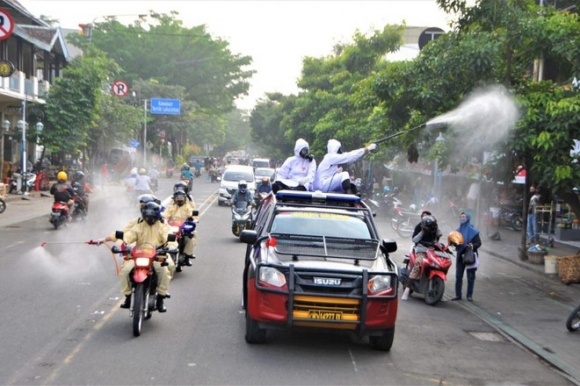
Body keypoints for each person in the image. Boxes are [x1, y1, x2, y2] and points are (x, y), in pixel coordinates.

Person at [100, 200, 172, 312]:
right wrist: (123, 243)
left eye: (152, 216)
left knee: (163, 271)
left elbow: (168, 236)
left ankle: (161, 298)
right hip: (139, 254)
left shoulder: (163, 226)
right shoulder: (138, 225)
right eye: (147, 216)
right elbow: (128, 235)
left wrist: (171, 245)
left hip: (157, 254)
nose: (149, 219)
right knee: (125, 271)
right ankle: (128, 297)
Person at [401, 214, 440, 301]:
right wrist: (422, 232)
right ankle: (407, 290)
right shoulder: (419, 227)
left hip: (431, 250)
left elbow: (438, 236)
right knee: (417, 265)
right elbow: (414, 240)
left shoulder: (434, 227)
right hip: (421, 250)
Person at [162, 189, 198, 267]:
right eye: (177, 197)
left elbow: (191, 213)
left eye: (181, 197)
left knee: (190, 237)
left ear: (185, 198)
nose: (179, 199)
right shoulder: (171, 206)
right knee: (163, 237)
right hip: (172, 226)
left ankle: (187, 256)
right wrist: (163, 220)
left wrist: (191, 217)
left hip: (183, 226)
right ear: (174, 198)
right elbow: (165, 215)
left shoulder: (187, 206)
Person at [452, 212, 482, 302]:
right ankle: (458, 295)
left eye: (464, 217)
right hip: (460, 256)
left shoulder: (473, 231)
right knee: (458, 276)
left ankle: (469, 295)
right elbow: (455, 244)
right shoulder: (457, 231)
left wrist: (472, 245)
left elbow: (479, 243)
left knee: (470, 277)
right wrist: (454, 242)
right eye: (461, 217)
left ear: (468, 218)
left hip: (470, 256)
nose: (462, 218)